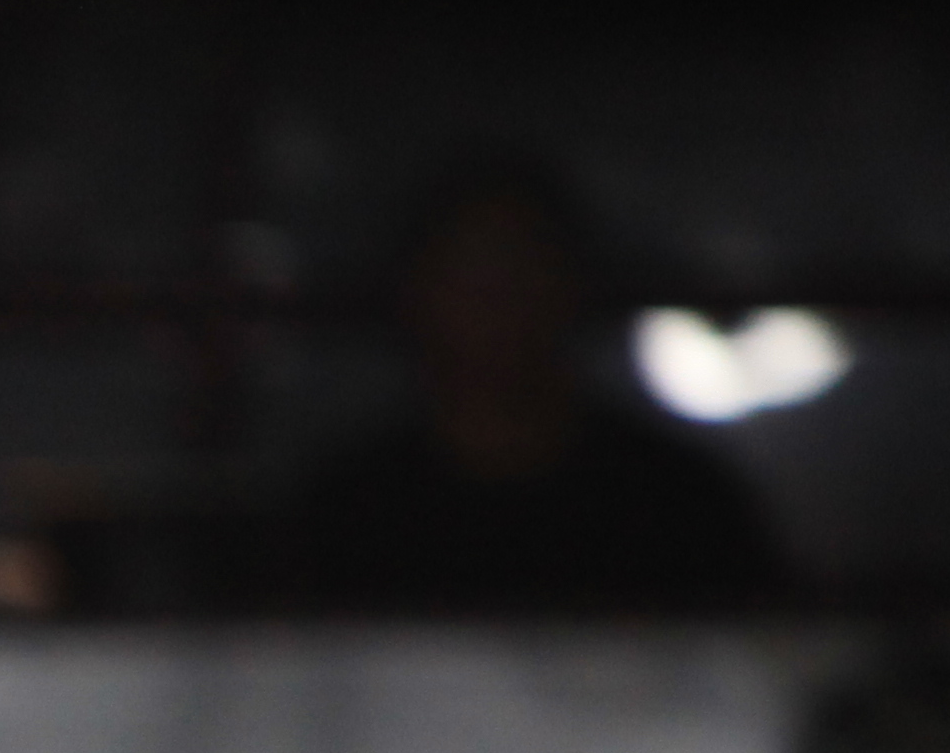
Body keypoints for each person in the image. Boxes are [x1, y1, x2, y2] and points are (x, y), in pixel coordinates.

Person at [276, 153, 788, 615]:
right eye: (470, 273)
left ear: (573, 289)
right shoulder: (347, 518)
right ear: (416, 295)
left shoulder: (674, 510)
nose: (497, 302)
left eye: (522, 267)